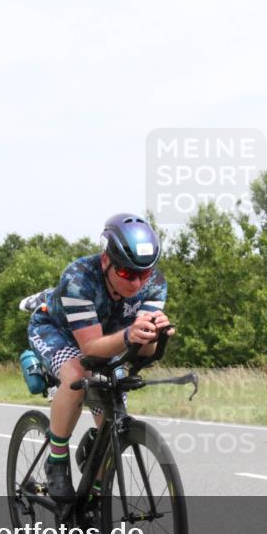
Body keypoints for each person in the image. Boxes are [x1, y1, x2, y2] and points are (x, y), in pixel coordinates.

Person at [26, 214, 172, 502]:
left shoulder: (154, 283)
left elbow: (141, 351)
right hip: (57, 331)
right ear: (107, 261)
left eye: (144, 273)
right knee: (78, 376)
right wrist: (131, 334)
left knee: (115, 412)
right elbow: (91, 348)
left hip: (107, 337)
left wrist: (155, 336)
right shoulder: (79, 278)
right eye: (128, 274)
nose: (138, 283)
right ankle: (56, 461)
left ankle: (94, 492)